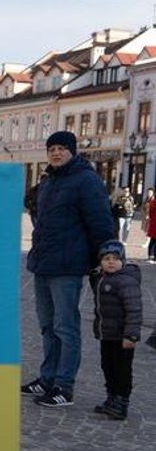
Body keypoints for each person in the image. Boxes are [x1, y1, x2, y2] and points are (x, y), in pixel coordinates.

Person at [21, 130, 115, 407]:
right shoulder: (49, 181)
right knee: (47, 326)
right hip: (44, 263)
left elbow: (101, 222)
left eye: (62, 148)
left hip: (68, 266)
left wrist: (106, 255)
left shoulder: (86, 181)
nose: (56, 153)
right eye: (52, 148)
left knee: (66, 326)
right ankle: (47, 377)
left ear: (73, 151)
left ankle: (64, 385)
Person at [88, 240, 141, 420]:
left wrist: (131, 335)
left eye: (116, 259)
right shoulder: (103, 278)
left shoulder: (126, 281)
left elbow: (134, 310)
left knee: (122, 370)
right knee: (108, 366)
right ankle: (111, 397)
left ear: (123, 261)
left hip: (123, 336)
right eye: (106, 259)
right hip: (107, 335)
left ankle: (121, 402)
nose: (111, 262)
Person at [144, 188, 156, 263]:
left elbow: (151, 213)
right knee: (153, 240)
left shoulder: (153, 202)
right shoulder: (153, 202)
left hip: (154, 222)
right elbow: (151, 212)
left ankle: (152, 256)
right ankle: (151, 256)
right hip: (155, 223)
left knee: (153, 240)